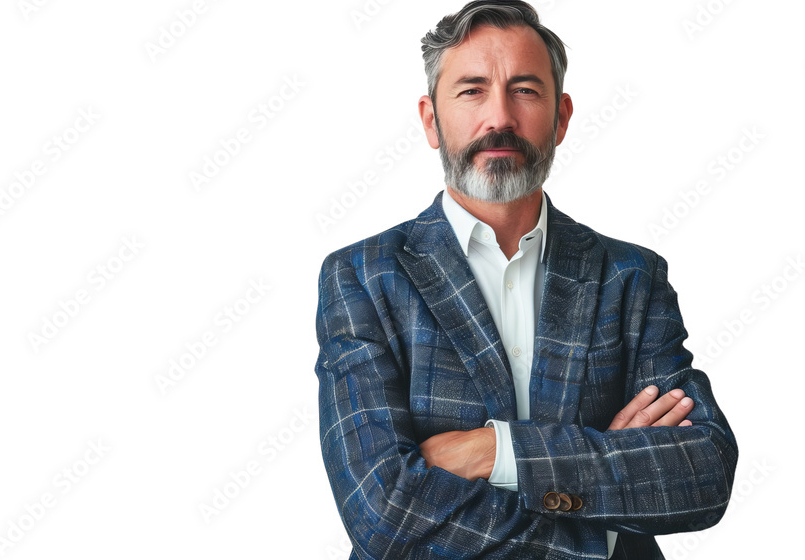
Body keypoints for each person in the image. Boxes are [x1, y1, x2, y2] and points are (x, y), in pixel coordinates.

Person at [312, 1, 738, 558]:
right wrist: (604, 505)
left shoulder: (632, 278)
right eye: (471, 90)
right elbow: (384, 513)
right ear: (429, 119)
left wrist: (495, 452)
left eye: (525, 90)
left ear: (561, 117)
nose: (500, 119)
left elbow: (701, 473)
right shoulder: (362, 278)